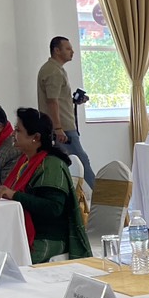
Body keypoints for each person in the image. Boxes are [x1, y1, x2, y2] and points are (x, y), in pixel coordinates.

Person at [0, 108, 89, 263]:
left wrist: (14, 195)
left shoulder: (51, 164)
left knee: (1, 262)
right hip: (25, 232)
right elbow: (16, 191)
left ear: (36, 137)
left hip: (47, 238)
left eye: (18, 130)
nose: (12, 134)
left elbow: (54, 208)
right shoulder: (25, 161)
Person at [37, 36, 95, 189]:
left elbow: (58, 99)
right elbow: (52, 101)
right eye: (68, 49)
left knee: (70, 163)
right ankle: (101, 197)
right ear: (57, 50)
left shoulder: (55, 69)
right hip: (63, 127)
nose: (72, 52)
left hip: (61, 126)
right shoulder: (54, 71)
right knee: (81, 161)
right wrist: (58, 128)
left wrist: (74, 101)